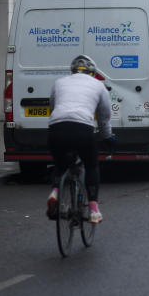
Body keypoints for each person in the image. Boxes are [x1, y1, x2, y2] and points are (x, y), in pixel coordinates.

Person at [46, 55, 114, 224]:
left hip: (57, 128)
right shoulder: (99, 86)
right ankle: (93, 209)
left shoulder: (59, 82)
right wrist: (107, 137)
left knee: (60, 165)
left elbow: (53, 106)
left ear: (72, 71)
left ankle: (54, 192)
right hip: (82, 128)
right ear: (92, 73)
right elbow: (104, 117)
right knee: (91, 165)